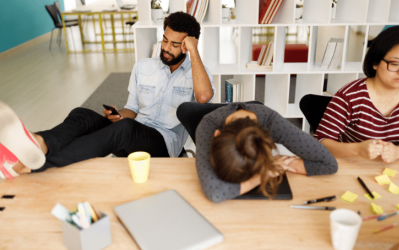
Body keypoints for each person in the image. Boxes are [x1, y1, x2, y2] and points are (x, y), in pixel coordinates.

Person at [0, 11, 215, 179]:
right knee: (82, 114)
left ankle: (37, 164)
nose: (166, 48)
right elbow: (132, 109)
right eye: (165, 39)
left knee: (125, 129)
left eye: (175, 44)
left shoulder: (198, 74)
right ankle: (39, 143)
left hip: (162, 145)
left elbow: (204, 97)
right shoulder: (143, 67)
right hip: (130, 133)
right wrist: (118, 115)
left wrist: (195, 52)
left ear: (188, 46)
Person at [194, 102, 338, 203]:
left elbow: (328, 164)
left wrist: (282, 164)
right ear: (217, 135)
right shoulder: (208, 126)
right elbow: (215, 192)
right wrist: (262, 175)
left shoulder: (271, 121)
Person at [314, 26, 399, 163]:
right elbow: (319, 142)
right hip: (351, 166)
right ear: (375, 62)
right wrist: (357, 149)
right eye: (395, 64)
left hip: (393, 169)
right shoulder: (350, 96)